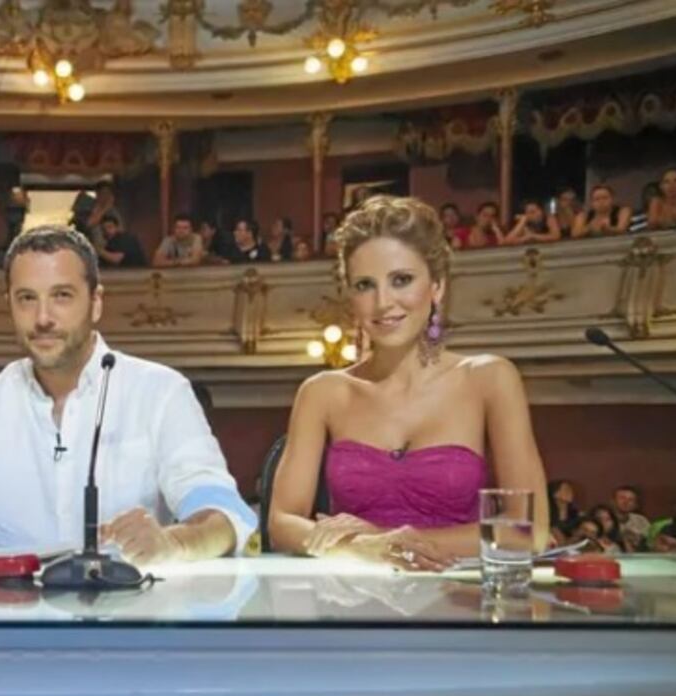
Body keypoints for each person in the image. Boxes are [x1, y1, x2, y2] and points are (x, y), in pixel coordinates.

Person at [0, 225, 256, 566]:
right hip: (6, 637)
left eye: (62, 296)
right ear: (9, 306)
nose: (42, 319)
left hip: (130, 636)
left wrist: (176, 542)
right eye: (26, 300)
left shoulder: (161, 392)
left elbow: (222, 513)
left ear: (95, 303)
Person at [268, 196, 550, 571]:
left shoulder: (490, 378)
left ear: (436, 287)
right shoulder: (322, 392)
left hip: (455, 604)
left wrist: (387, 542)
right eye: (365, 285)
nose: (383, 302)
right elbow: (282, 523)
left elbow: (529, 531)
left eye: (401, 280)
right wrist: (361, 548)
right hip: (352, 602)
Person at [613, 485, 650, 551]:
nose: (626, 502)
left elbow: (649, 542)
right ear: (613, 501)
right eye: (622, 498)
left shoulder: (641, 520)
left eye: (631, 500)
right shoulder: (606, 519)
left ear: (635, 504)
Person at [548, 479, 580, 546]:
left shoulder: (574, 513)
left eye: (571, 490)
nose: (571, 492)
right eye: (566, 489)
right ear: (554, 493)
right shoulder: (546, 512)